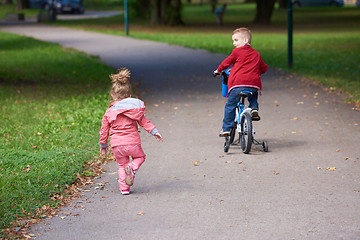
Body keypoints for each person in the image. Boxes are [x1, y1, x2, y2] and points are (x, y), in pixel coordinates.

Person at [99, 68, 163, 195]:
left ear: (112, 96)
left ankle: (124, 189)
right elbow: (144, 122)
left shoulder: (109, 112)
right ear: (129, 96)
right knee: (140, 157)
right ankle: (133, 168)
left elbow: (103, 130)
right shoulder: (134, 110)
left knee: (121, 165)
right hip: (132, 142)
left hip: (117, 145)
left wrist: (103, 145)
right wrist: (154, 131)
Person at [214, 28, 268, 137]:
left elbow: (226, 62)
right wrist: (257, 72)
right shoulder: (256, 54)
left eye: (236, 40)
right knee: (253, 95)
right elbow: (264, 68)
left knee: (230, 105)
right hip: (254, 84)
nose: (234, 43)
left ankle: (226, 129)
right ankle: (253, 109)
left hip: (238, 85)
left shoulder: (237, 52)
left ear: (246, 40)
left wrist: (218, 70)